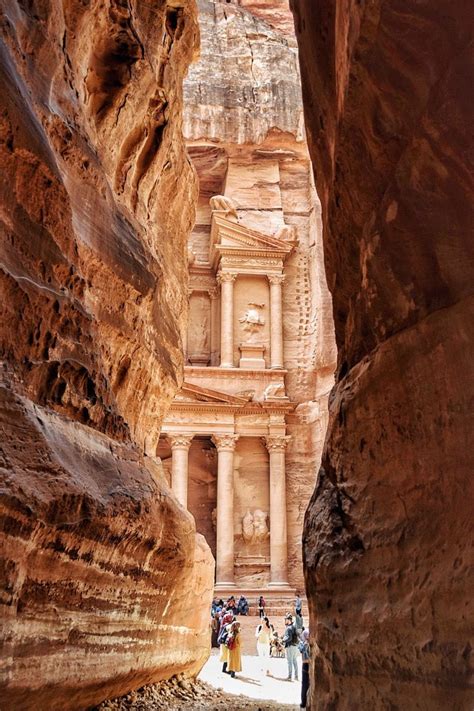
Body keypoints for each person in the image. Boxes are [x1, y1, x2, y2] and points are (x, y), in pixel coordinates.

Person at [282, 613, 299, 681]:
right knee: (295, 661)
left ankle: (289, 676)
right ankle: (296, 676)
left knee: (289, 661)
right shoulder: (294, 626)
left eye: (286, 619)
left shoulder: (289, 628)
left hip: (290, 646)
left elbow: (289, 638)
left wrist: (283, 640)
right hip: (295, 646)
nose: (285, 620)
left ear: (288, 620)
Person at [299, 629, 310, 708]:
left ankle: (304, 702)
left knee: (304, 685)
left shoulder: (303, 644)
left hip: (305, 665)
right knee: (307, 685)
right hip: (307, 665)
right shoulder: (307, 645)